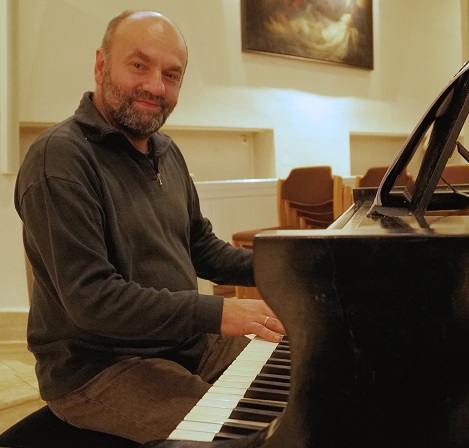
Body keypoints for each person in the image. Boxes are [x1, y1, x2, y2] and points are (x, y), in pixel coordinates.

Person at [14, 10, 285, 444]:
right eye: (139, 65)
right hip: (101, 366)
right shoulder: (59, 158)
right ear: (101, 65)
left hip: (184, 342)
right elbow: (92, 300)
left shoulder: (166, 151)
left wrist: (291, 266)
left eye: (171, 75)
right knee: (239, 435)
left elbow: (201, 248)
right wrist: (222, 313)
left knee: (301, 380)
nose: (156, 87)